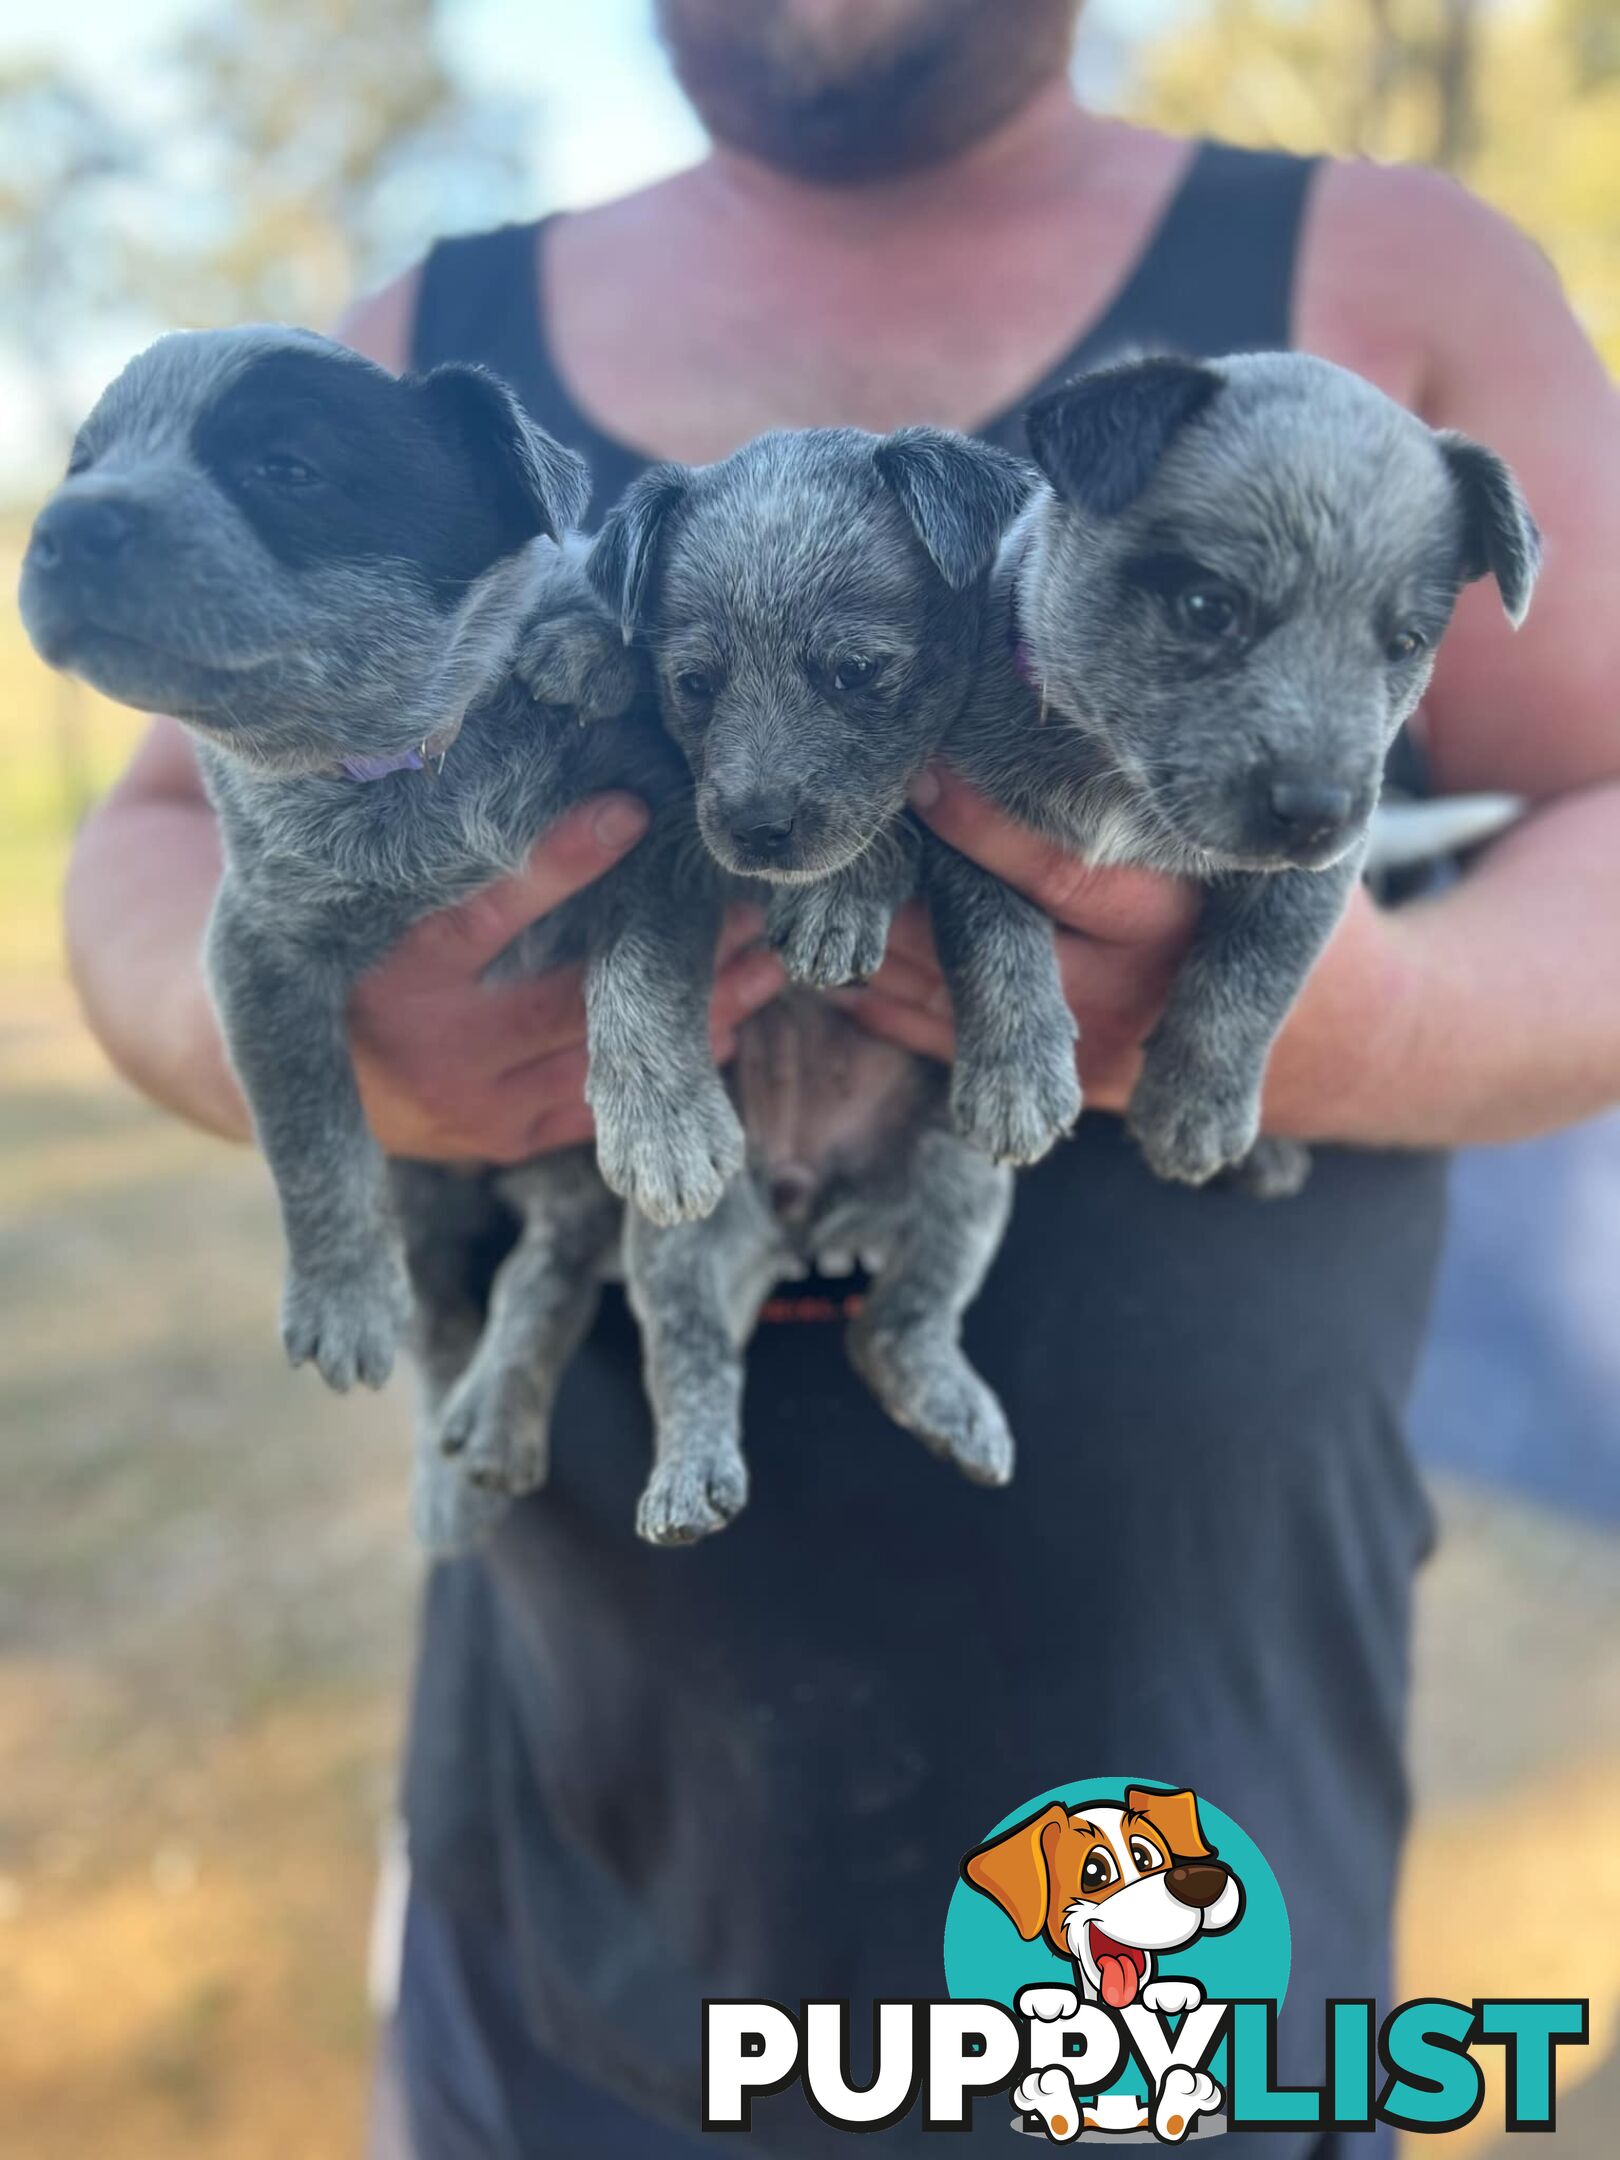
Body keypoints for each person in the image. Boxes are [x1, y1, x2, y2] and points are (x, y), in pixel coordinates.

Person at [64, 2, 1620, 2153]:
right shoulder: (430, 324)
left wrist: (1353, 1025)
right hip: (585, 1815)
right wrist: (337, 1062)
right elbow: (149, 848)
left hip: (1187, 1795)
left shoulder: (1401, 278)